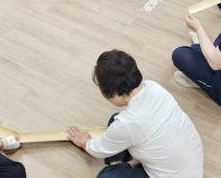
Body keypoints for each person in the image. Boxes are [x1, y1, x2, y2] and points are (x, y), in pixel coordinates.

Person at [67, 50, 203, 178]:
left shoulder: (127, 123)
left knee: (106, 175)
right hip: (192, 165)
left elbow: (98, 150)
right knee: (115, 121)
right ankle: (129, 163)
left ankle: (126, 165)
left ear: (113, 93)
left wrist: (86, 142)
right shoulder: (153, 86)